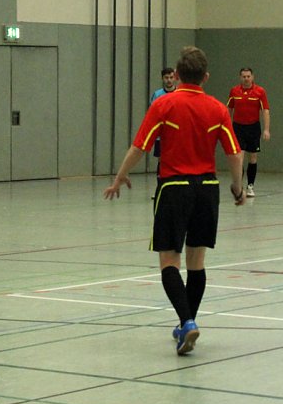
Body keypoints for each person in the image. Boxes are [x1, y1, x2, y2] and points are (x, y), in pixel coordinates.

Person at [104, 46, 246, 355]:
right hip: (207, 188)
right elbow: (235, 153)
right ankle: (187, 324)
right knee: (197, 263)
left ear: (177, 76)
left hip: (174, 187)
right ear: (205, 77)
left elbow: (139, 146)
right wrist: (238, 188)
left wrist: (120, 177)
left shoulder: (164, 104)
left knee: (169, 260)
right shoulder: (219, 109)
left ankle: (187, 322)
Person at [227, 67, 270, 197]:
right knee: (239, 157)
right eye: (244, 76)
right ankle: (238, 185)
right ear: (240, 77)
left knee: (252, 157)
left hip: (253, 128)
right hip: (238, 127)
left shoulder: (260, 91)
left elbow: (265, 111)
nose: (246, 79)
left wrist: (266, 129)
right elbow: (229, 109)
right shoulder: (234, 91)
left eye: (248, 76)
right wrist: (227, 126)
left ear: (252, 77)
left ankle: (250, 185)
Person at [149, 67, 178, 175]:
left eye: (171, 77)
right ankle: (160, 180)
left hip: (176, 134)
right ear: (162, 79)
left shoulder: (179, 93)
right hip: (161, 135)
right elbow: (153, 114)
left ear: (175, 78)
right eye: (166, 78)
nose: (169, 80)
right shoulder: (157, 95)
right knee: (161, 159)